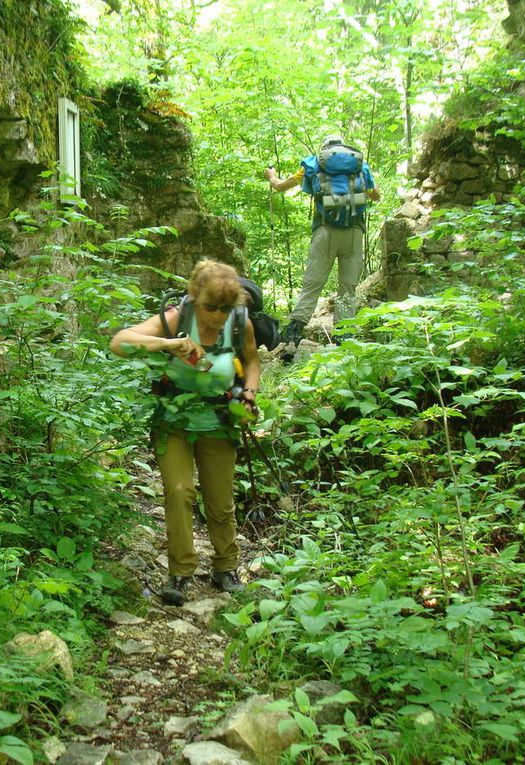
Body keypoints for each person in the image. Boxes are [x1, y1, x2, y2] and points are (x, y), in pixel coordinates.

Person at [110, 259, 261, 606]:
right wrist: (167, 344)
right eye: (210, 307)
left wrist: (249, 393)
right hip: (174, 421)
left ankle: (226, 568)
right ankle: (180, 572)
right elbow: (120, 342)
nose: (217, 316)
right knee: (178, 491)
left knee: (220, 500)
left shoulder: (240, 323)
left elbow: (251, 361)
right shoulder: (178, 318)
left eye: (226, 308)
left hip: (218, 421)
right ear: (195, 298)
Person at [264, 134, 380, 347]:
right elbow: (375, 195)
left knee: (313, 283)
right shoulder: (360, 166)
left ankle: (294, 334)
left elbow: (279, 186)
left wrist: (271, 175)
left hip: (325, 230)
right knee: (348, 286)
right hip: (354, 232)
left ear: (324, 149)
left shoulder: (313, 163)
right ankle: (344, 336)